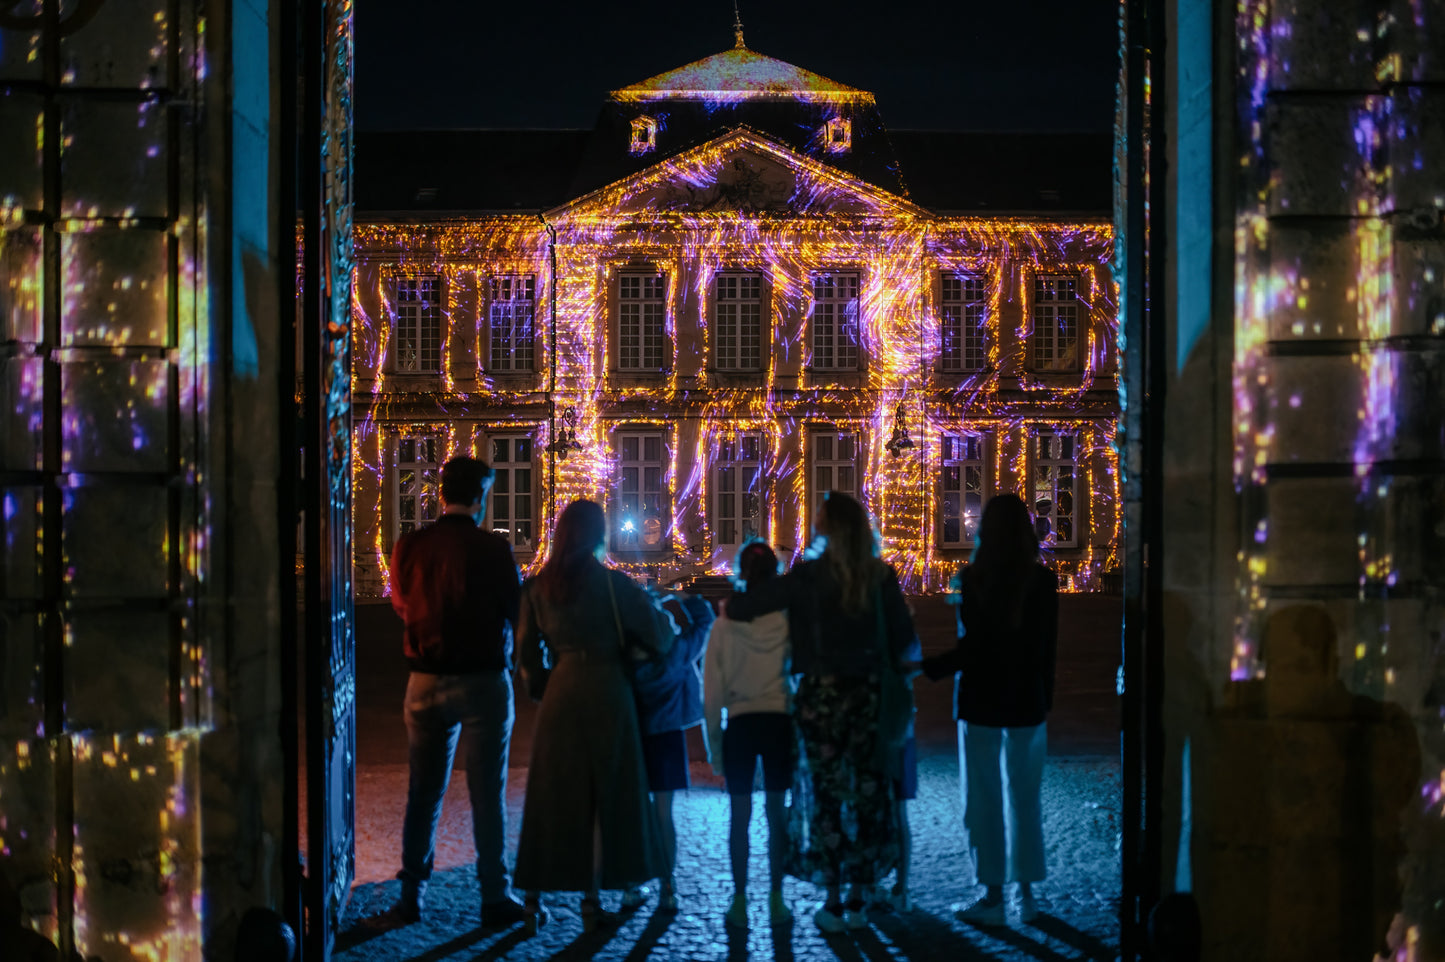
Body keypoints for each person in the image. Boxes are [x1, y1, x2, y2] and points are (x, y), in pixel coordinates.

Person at [726, 491, 917, 934]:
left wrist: (730, 604)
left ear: (824, 529)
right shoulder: (880, 575)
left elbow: (748, 605)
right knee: (868, 793)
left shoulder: (809, 576)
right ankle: (859, 897)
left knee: (827, 799)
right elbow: (905, 639)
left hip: (821, 701)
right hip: (867, 699)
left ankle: (832, 899)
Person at [513, 499, 676, 931]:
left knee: (551, 796)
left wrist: (545, 688)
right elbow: (661, 638)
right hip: (608, 689)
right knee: (609, 793)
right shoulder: (614, 586)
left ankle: (531, 898)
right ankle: (592, 897)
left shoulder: (539, 588)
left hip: (562, 692)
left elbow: (525, 657)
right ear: (597, 535)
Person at [388, 456, 529, 928]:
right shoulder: (493, 549)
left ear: (441, 492)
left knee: (423, 792)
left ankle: (411, 893)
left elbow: (401, 603)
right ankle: (494, 895)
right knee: (488, 793)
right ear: (481, 496)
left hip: (425, 678)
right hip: (485, 680)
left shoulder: (411, 545)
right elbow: (515, 610)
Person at [922, 493, 1058, 926]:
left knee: (982, 798)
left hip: (981, 701)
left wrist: (929, 669)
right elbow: (1047, 651)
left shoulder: (971, 578)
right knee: (1025, 798)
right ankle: (1028, 895)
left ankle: (993, 895)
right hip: (1026, 702)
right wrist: (1044, 700)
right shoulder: (1042, 582)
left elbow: (973, 648)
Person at [704, 540, 796, 930]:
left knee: (739, 818)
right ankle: (777, 898)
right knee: (778, 816)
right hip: (778, 721)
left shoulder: (725, 623)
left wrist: (715, 749)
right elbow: (798, 677)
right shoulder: (787, 620)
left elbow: (711, 692)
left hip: (740, 723)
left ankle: (739, 900)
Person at [625, 586, 715, 914]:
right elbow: (705, 621)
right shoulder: (676, 653)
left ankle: (631, 886)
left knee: (635, 814)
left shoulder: (625, 659)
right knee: (665, 815)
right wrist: (675, 596)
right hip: (668, 738)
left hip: (635, 738)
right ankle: (668, 886)